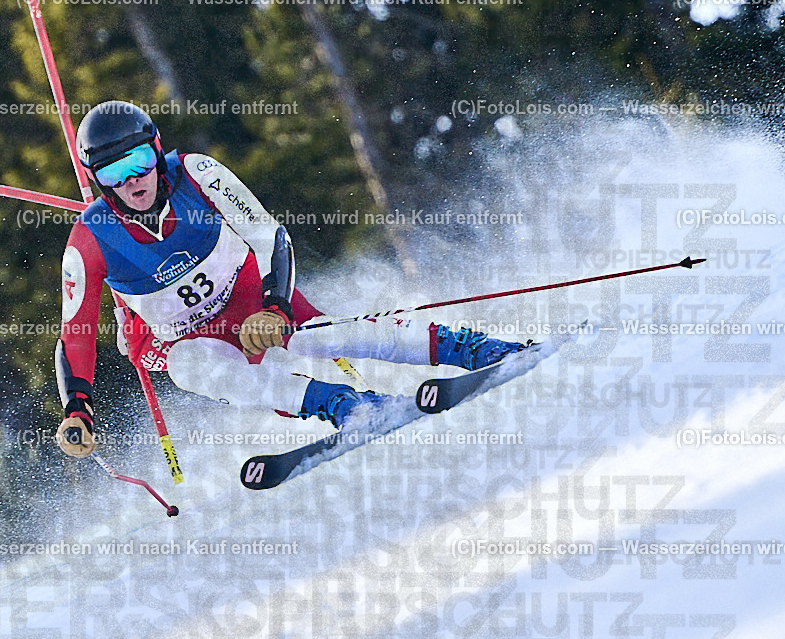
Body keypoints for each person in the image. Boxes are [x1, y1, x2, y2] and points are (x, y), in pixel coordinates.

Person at [55, 101, 526, 457]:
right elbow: (75, 332)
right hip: (187, 339)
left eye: (137, 161)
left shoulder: (196, 173)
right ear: (98, 180)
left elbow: (269, 237)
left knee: (322, 336)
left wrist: (274, 306)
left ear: (155, 150)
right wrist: (78, 407)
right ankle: (345, 405)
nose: (133, 181)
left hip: (251, 300)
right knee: (190, 368)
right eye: (114, 172)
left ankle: (468, 348)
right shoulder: (88, 241)